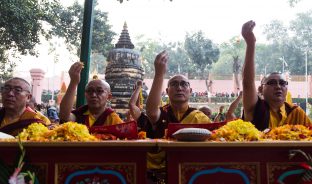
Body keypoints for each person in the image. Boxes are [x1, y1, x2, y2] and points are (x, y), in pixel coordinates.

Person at [241, 20, 311, 130]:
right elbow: (247, 83)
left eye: (282, 83)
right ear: (260, 89)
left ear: (287, 89)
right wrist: (251, 43)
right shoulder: (255, 109)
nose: (278, 86)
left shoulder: (296, 112)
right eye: (272, 83)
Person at [146, 50, 211, 138]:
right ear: (167, 91)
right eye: (174, 84)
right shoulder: (162, 113)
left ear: (190, 91)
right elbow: (152, 112)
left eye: (184, 84)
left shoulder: (200, 118)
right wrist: (159, 73)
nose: (179, 88)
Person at [59, 62, 123, 127]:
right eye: (89, 91)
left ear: (109, 97)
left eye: (99, 91)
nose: (93, 95)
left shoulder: (112, 118)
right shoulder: (81, 113)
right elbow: (64, 116)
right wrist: (73, 82)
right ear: (85, 94)